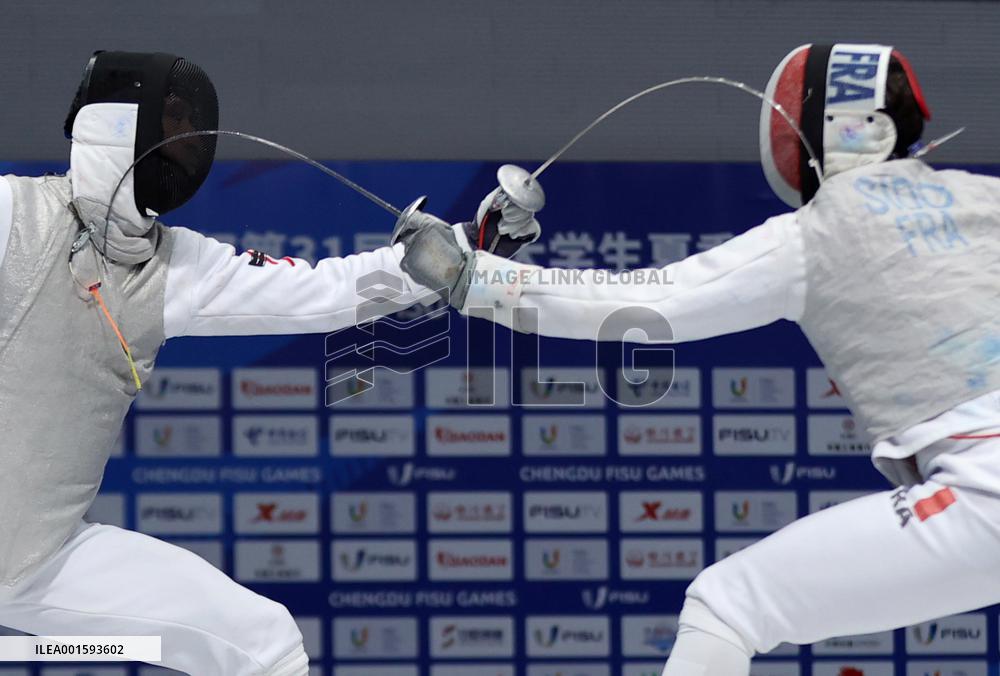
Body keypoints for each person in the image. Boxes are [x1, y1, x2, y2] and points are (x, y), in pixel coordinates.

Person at [397, 43, 1000, 676]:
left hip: (984, 490)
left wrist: (470, 277)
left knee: (728, 605)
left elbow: (644, 306)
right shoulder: (987, 200)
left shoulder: (813, 235)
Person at [0, 50, 536, 675]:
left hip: (41, 560)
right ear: (120, 126)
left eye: (186, 125)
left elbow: (321, 292)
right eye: (169, 122)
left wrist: (467, 248)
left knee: (261, 645)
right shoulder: (14, 215)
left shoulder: (173, 265)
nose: (184, 141)